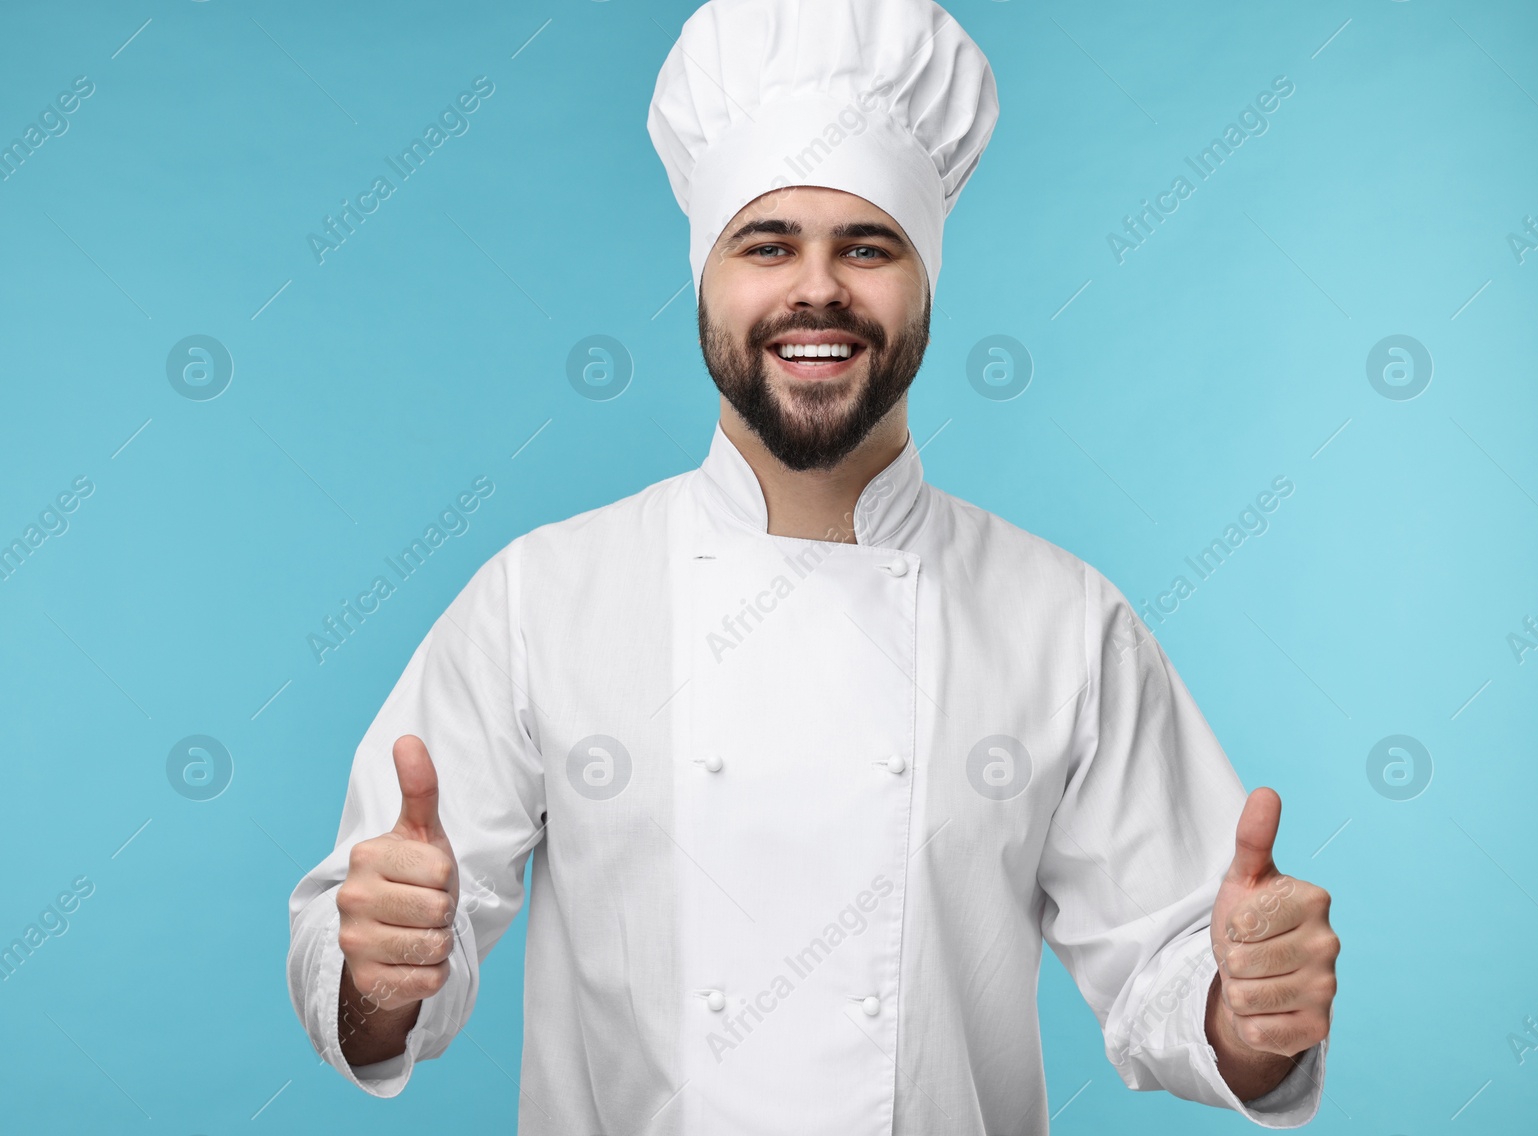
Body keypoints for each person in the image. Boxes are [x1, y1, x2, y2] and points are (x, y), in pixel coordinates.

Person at [286, 1, 1339, 1131]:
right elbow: (365, 958)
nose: (817, 290)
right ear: (704, 278)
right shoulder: (543, 599)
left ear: (926, 280)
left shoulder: (1062, 620)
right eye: (768, 242)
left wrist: (1248, 1008)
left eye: (867, 245)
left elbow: (1180, 970)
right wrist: (380, 977)